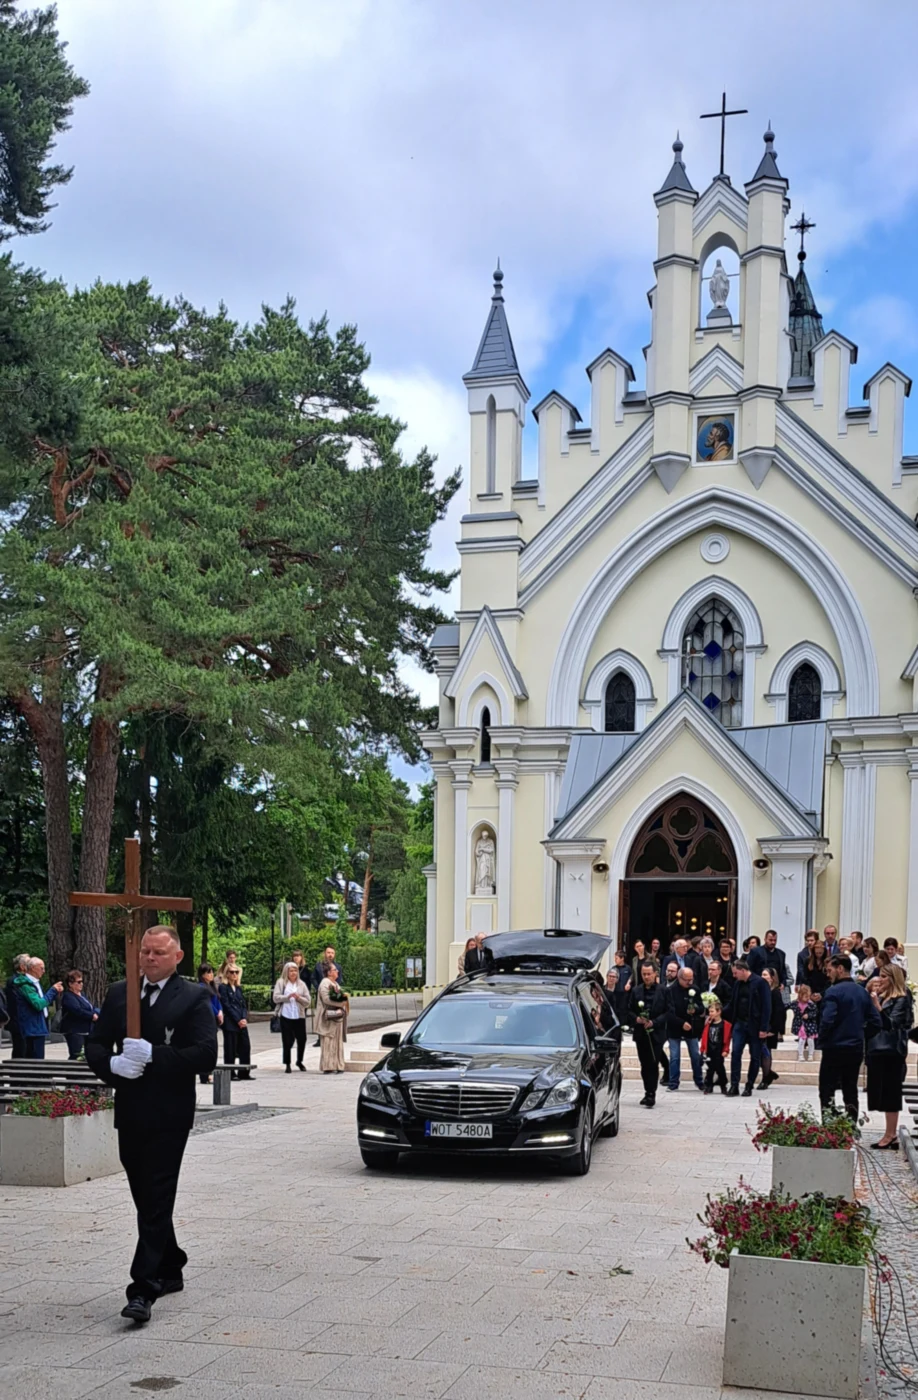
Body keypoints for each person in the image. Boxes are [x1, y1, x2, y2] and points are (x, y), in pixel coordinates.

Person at [86, 924, 217, 1324]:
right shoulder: (119, 992)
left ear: (177, 956)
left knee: (157, 1193)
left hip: (169, 1114)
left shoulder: (193, 996)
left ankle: (143, 1288)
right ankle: (172, 1263)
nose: (149, 958)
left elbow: (204, 1055)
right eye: (145, 951)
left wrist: (155, 1055)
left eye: (158, 952)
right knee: (145, 1194)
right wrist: (111, 1064)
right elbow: (95, 1043)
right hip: (131, 1110)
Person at [817, 955, 881, 1122]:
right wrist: (860, 1034)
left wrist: (822, 1039)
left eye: (830, 970)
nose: (828, 974)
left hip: (834, 1047)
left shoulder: (832, 992)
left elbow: (827, 1020)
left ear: (840, 969)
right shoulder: (862, 992)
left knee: (827, 1089)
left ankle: (829, 1125)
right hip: (855, 1047)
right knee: (850, 1089)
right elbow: (876, 1021)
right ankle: (851, 1125)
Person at [865, 964, 913, 1149]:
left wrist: (877, 1007)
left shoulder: (901, 997)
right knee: (882, 1092)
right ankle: (889, 1132)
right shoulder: (883, 996)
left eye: (884, 976)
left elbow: (893, 1023)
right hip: (878, 1048)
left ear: (893, 978)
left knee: (891, 1092)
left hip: (892, 1050)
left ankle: (890, 1134)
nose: (880, 980)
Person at [725, 958, 770, 1097]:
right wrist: (718, 1013)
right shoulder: (738, 984)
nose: (734, 976)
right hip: (739, 1024)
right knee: (736, 1053)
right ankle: (734, 1085)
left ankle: (749, 1085)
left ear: (743, 970)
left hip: (755, 1025)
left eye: (735, 973)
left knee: (755, 1056)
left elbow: (766, 1006)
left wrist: (764, 1028)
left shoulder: (760, 983)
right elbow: (732, 1003)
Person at [627, 961, 667, 1108]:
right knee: (644, 1064)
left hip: (656, 1033)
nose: (646, 976)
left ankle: (651, 1093)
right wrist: (636, 1019)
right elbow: (629, 1010)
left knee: (653, 1062)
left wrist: (654, 1022)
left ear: (655, 973)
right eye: (644, 974)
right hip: (641, 1033)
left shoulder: (663, 991)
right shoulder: (636, 991)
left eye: (649, 974)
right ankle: (647, 1091)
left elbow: (669, 1012)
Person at [12, 957, 63, 1058]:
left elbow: (43, 1001)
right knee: (35, 1058)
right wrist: (52, 991)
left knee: (38, 1057)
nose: (43, 971)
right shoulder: (26, 985)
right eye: (41, 968)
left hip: (38, 1026)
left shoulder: (35, 982)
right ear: (32, 968)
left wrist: (55, 993)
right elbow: (38, 1004)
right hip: (32, 1029)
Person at [664, 967, 705, 1092]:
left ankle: (699, 1081)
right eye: (687, 980)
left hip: (691, 1027)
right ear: (679, 978)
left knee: (695, 1055)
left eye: (691, 979)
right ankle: (673, 1082)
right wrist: (681, 1023)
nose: (689, 982)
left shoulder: (695, 989)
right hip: (675, 1027)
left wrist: (695, 1010)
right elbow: (668, 1012)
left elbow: (701, 1007)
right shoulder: (670, 991)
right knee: (675, 1056)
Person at [273, 961, 309, 1073]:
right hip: (286, 1015)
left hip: (299, 1015)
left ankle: (299, 1061)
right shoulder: (281, 982)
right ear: (286, 972)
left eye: (295, 971)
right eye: (291, 971)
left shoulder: (301, 984)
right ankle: (287, 1063)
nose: (293, 973)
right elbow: (275, 998)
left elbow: (308, 1001)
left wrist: (299, 998)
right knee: (287, 1040)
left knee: (302, 1039)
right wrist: (287, 997)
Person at [218, 967, 251, 1079]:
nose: (234, 974)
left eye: (236, 972)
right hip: (231, 1022)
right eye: (231, 972)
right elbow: (226, 1005)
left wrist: (244, 1018)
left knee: (245, 1046)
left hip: (241, 1021)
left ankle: (244, 1072)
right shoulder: (223, 987)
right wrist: (237, 1020)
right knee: (230, 1048)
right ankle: (230, 1073)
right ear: (226, 974)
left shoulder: (238, 988)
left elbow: (243, 1005)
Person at [757, 967, 787, 1091]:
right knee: (758, 1053)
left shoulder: (775, 993)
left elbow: (779, 1012)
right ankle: (769, 1073)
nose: (763, 977)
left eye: (765, 975)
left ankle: (765, 1078)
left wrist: (774, 1030)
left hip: (770, 1027)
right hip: (760, 1026)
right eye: (762, 974)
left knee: (766, 1052)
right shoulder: (760, 990)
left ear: (772, 978)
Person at [316, 963, 349, 1073]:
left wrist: (343, 1002)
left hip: (337, 1017)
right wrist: (342, 1003)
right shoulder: (325, 983)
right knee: (328, 1041)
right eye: (335, 970)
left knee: (337, 1041)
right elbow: (326, 999)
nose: (337, 971)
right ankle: (328, 1066)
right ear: (329, 972)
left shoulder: (335, 983)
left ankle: (338, 1065)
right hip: (328, 1018)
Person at [60, 970, 99, 1060]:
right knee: (77, 1054)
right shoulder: (68, 996)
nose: (81, 984)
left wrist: (98, 1013)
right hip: (75, 1031)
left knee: (85, 1055)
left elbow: (90, 1007)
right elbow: (77, 1010)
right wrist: (92, 1016)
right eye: (78, 982)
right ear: (70, 984)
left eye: (82, 981)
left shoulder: (82, 995)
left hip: (86, 1029)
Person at [197, 965, 223, 1085]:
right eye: (208, 973)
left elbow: (217, 1001)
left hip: (214, 1020)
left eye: (212, 972)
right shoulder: (201, 987)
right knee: (207, 1047)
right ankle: (205, 1074)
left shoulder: (212, 987)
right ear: (202, 975)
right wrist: (217, 1012)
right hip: (207, 1020)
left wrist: (220, 1011)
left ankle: (209, 1072)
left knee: (213, 1046)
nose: (211, 975)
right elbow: (207, 1003)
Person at [311, 946, 341, 1046]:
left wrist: (336, 990)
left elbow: (339, 979)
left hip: (333, 994)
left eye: (332, 953)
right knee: (321, 1015)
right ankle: (320, 1037)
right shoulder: (318, 966)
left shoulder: (338, 967)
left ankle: (333, 1035)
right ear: (325, 953)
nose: (330, 955)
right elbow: (313, 978)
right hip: (322, 995)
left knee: (333, 1015)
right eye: (328, 952)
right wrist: (318, 988)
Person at [701, 997, 731, 1095]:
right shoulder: (708, 1024)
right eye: (709, 1012)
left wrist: (726, 1050)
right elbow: (704, 1036)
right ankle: (708, 1085)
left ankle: (723, 1085)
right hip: (710, 1050)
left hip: (719, 1050)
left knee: (720, 1068)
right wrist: (703, 1049)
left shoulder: (725, 1025)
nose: (710, 1014)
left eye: (712, 1011)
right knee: (709, 1069)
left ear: (719, 1012)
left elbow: (727, 1039)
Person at [5, 953, 31, 1057]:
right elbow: (17, 1003)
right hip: (19, 1022)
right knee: (20, 1049)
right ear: (22, 966)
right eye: (29, 964)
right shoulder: (15, 981)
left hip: (23, 1021)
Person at [791, 984, 819, 1061]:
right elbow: (788, 1005)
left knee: (810, 1040)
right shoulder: (795, 1003)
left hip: (810, 1025)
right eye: (806, 996)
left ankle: (811, 1055)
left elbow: (815, 1013)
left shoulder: (811, 1004)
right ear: (801, 995)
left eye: (809, 996)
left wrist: (809, 1015)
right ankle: (800, 1055)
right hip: (801, 1025)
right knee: (801, 1040)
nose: (807, 998)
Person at [803, 939, 830, 1007]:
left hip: (824, 992)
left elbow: (829, 980)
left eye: (820, 953)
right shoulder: (808, 961)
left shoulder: (829, 962)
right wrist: (810, 993)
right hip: (811, 992)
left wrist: (821, 994)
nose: (818, 955)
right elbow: (806, 978)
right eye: (817, 953)